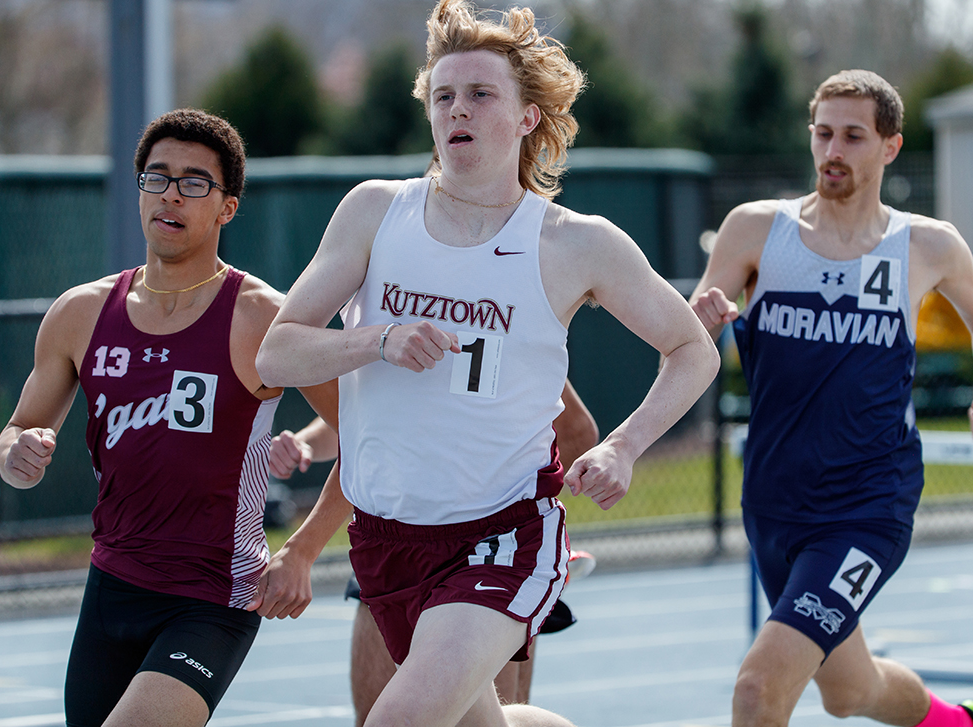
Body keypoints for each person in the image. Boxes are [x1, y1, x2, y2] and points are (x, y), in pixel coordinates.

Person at [255, 0, 719, 724]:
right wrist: (377, 339)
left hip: (504, 533)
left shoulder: (574, 243)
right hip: (386, 536)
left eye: (479, 94)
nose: (456, 110)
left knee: (398, 719)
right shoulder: (376, 212)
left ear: (528, 116)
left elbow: (692, 348)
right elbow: (277, 350)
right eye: (443, 95)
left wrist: (625, 446)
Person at [0, 108, 338, 727]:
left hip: (213, 596)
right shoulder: (81, 313)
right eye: (158, 178)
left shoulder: (265, 319)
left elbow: (369, 438)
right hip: (111, 586)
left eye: (195, 182)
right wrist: (16, 452)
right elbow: (17, 437)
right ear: (140, 192)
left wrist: (304, 551)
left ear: (226, 207)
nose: (172, 194)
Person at [689, 69, 973, 727]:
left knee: (759, 688)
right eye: (822, 134)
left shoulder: (928, 245)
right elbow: (687, 346)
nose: (832, 151)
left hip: (867, 506)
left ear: (890, 147)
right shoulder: (756, 230)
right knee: (849, 691)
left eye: (852, 135)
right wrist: (698, 321)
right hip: (774, 500)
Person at [269, 380, 599, 724]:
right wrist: (306, 442)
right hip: (389, 540)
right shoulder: (379, 334)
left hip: (488, 548)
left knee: (409, 719)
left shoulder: (520, 332)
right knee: (384, 712)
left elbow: (576, 430)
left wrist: (531, 513)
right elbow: (361, 412)